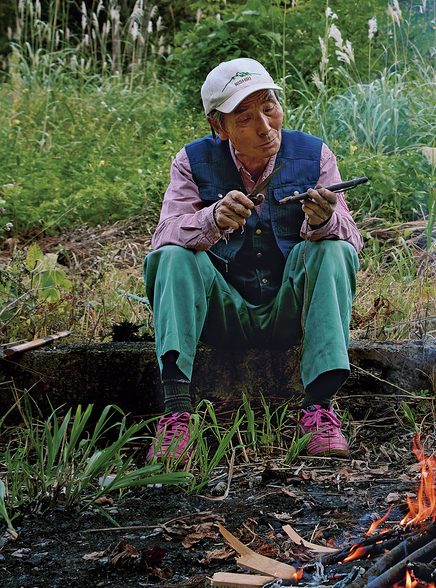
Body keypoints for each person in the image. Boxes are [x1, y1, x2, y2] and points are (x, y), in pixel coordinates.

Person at [143, 57, 361, 462]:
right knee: (173, 257)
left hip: (288, 312)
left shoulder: (314, 156)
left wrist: (324, 220)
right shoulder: (192, 161)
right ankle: (177, 415)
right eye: (244, 117)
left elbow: (352, 237)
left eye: (269, 107)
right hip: (222, 313)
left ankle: (319, 409)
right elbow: (162, 237)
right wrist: (211, 219)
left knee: (334, 248)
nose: (264, 126)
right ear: (218, 126)